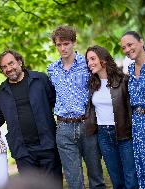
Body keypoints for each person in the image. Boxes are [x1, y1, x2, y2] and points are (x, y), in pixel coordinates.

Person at [47, 26, 105, 189]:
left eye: (66, 43)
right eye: (59, 45)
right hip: (63, 128)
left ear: (73, 42)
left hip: (87, 124)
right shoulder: (52, 69)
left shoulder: (87, 65)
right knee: (74, 181)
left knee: (96, 176)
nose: (63, 48)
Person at [0, 49, 63, 188]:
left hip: (47, 145)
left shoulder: (40, 79)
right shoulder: (1, 91)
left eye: (11, 63)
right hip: (23, 152)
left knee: (53, 186)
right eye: (4, 67)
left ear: (19, 62)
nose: (8, 69)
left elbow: (54, 103)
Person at [85, 45, 138, 189]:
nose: (89, 63)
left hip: (124, 134)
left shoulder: (124, 81)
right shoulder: (92, 84)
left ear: (103, 59)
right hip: (103, 135)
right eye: (88, 60)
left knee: (131, 178)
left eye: (92, 59)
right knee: (116, 179)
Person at [121, 31, 145, 188]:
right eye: (123, 47)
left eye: (130, 44)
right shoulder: (131, 70)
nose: (127, 49)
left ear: (141, 42)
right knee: (141, 165)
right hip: (138, 124)